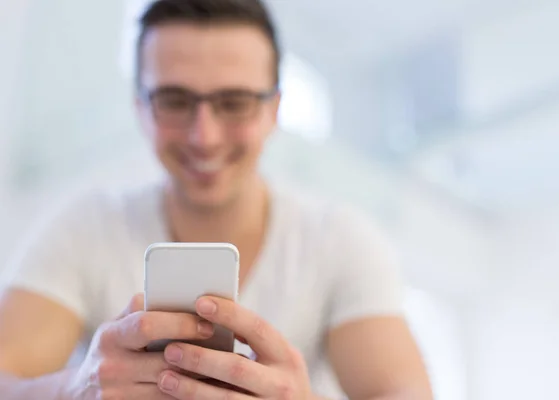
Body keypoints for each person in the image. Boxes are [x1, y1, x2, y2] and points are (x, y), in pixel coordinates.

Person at [0, 0, 433, 399]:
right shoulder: (85, 227)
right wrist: (76, 387)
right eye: (174, 100)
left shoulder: (339, 239)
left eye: (234, 102)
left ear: (274, 109)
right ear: (140, 107)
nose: (203, 137)